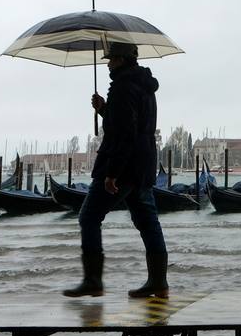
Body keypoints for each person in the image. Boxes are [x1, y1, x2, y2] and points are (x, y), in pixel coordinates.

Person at [63, 41, 169, 299]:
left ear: (121, 60)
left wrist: (112, 173)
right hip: (143, 164)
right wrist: (104, 110)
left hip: (123, 166)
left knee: (89, 217)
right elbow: (131, 122)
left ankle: (93, 281)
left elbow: (123, 134)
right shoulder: (144, 86)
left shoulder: (122, 87)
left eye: (111, 59)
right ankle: (158, 283)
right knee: (147, 222)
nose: (108, 63)